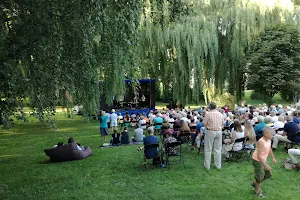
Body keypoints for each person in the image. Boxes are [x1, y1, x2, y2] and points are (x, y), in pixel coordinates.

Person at [252, 127, 277, 198]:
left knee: (268, 174)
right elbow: (259, 155)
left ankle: (255, 183)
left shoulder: (269, 140)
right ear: (266, 134)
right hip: (257, 160)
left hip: (262, 160)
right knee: (259, 176)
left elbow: (269, 149)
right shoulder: (261, 141)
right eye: (272, 134)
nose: (273, 136)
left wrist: (273, 158)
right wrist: (265, 165)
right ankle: (257, 191)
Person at [203, 102, 224, 170]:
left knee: (208, 149)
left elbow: (204, 123)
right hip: (219, 131)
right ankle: (218, 165)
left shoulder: (208, 114)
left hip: (210, 131)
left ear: (210, 107)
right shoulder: (220, 114)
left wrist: (207, 127)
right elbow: (222, 124)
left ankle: (207, 166)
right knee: (218, 149)